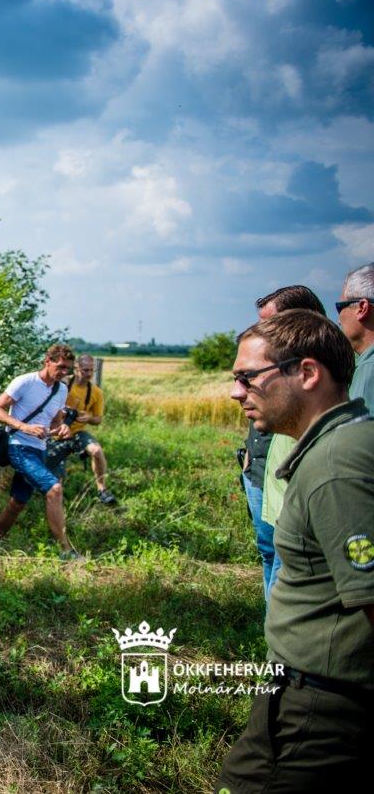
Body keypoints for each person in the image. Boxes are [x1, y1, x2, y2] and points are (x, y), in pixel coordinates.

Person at [217, 309, 374, 789]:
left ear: (306, 373)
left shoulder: (334, 464)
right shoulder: (346, 441)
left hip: (318, 707)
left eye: (248, 377)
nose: (236, 392)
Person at [240, 285, 326, 600]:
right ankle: (272, 630)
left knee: (288, 562)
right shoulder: (269, 365)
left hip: (291, 482)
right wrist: (250, 459)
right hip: (259, 473)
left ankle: (282, 641)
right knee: (268, 554)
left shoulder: (320, 373)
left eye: (271, 324)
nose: (263, 332)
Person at [0, 344, 78, 559]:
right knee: (54, 489)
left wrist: (63, 428)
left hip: (40, 449)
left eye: (68, 369)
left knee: (18, 501)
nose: (64, 372)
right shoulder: (25, 382)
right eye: (60, 367)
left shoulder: (61, 389)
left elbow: (55, 423)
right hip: (19, 446)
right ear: (47, 361)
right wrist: (24, 427)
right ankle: (67, 551)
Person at [45, 354, 116, 505]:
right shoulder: (61, 383)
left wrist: (88, 418)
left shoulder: (96, 392)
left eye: (91, 370)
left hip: (77, 433)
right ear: (76, 369)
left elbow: (98, 419)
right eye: (85, 370)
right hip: (55, 434)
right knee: (56, 479)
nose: (89, 374)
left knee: (96, 451)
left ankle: (102, 490)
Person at [337, 261, 374, 405]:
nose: (339, 320)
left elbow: (361, 427)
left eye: (340, 307)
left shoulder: (369, 369)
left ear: (362, 308)